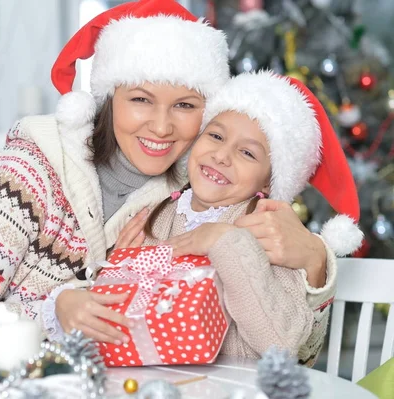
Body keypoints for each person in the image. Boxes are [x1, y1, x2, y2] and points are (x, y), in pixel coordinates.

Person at [0, 0, 344, 364]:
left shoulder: (198, 195)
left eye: (184, 104)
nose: (160, 126)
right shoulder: (29, 171)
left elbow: (294, 358)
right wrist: (54, 311)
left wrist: (313, 260)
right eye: (140, 99)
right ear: (108, 99)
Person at [133, 71, 361, 365]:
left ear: (268, 183)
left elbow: (282, 345)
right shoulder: (160, 212)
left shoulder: (269, 230)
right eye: (215, 136)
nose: (221, 156)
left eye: (247, 153)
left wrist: (226, 241)